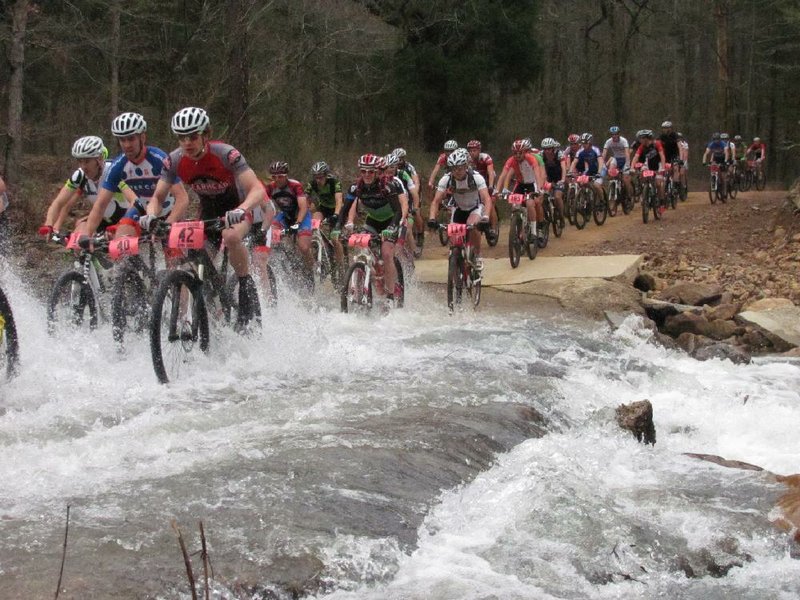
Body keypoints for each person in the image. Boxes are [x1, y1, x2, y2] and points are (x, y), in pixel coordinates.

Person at [140, 107, 270, 329]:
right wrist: (150, 215)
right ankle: (204, 306)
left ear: (205, 135)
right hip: (209, 211)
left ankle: (245, 284)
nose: (187, 142)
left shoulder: (226, 154)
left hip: (239, 206)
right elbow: (158, 196)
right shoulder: (174, 160)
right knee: (194, 260)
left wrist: (242, 209)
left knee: (230, 236)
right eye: (182, 137)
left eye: (192, 136)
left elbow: (256, 189)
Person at [83, 112, 188, 240]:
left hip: (169, 209)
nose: (127, 145)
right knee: (120, 243)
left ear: (142, 138)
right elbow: (100, 205)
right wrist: (87, 237)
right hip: (142, 209)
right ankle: (133, 260)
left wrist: (169, 224)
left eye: (131, 138)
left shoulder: (159, 159)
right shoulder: (118, 165)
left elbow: (182, 198)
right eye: (122, 140)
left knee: (173, 256)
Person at [39, 136, 137, 239]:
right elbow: (58, 203)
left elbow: (134, 201)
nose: (83, 167)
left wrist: (122, 224)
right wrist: (49, 225)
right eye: (80, 162)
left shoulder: (113, 171)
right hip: (105, 221)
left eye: (87, 161)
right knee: (79, 234)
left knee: (120, 244)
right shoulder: (80, 176)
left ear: (99, 159)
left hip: (128, 220)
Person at [344, 153, 408, 309]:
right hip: (373, 221)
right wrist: (350, 222)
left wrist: (399, 223)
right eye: (363, 171)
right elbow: (352, 205)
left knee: (387, 253)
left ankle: (391, 296)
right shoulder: (359, 186)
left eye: (371, 171)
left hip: (392, 220)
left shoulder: (392, 183)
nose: (367, 175)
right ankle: (364, 276)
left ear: (379, 172)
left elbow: (402, 206)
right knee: (360, 248)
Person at [427, 148, 493, 268]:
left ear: (466, 166)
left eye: (460, 167)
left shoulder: (476, 178)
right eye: (454, 168)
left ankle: (477, 255)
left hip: (475, 208)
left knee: (472, 226)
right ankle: (456, 266)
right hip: (459, 209)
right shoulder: (446, 179)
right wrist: (432, 218)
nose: (457, 171)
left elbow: (487, 199)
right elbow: (436, 201)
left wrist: (486, 217)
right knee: (454, 241)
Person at [268, 160, 314, 290]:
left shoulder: (295, 185)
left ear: (286, 175)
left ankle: (310, 270)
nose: (277, 179)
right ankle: (283, 256)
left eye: (280, 176)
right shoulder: (271, 187)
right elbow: (262, 203)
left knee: (304, 247)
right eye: (274, 177)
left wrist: (297, 224)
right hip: (285, 215)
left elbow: (303, 206)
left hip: (301, 215)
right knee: (271, 233)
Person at [495, 139, 546, 241]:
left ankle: (534, 232)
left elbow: (537, 174)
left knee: (530, 204)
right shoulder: (511, 160)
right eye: (515, 153)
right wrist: (498, 190)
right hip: (520, 185)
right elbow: (503, 176)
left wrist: (540, 189)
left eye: (520, 153)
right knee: (515, 205)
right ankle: (518, 225)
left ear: (525, 152)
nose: (518, 155)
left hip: (532, 184)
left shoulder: (531, 158)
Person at [306, 161, 345, 274]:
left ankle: (341, 266)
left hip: (337, 209)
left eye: (321, 177)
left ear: (326, 175)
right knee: (314, 222)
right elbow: (305, 198)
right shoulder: (312, 184)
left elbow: (339, 200)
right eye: (316, 177)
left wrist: (336, 214)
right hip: (323, 208)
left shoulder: (334, 182)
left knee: (334, 238)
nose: (318, 180)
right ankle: (319, 246)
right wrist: (306, 208)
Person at [393, 147, 425, 253]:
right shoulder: (389, 169)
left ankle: (420, 233)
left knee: (416, 213)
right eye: (396, 159)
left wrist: (414, 193)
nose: (398, 162)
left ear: (403, 159)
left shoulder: (408, 167)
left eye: (400, 159)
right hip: (399, 195)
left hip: (410, 193)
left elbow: (416, 181)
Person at [466, 139, 498, 242]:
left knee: (490, 203)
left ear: (479, 150)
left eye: (474, 150)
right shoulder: (467, 160)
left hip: (489, 182)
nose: (472, 153)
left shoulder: (485, 158)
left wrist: (491, 186)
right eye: (470, 150)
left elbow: (491, 172)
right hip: (476, 186)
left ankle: (493, 228)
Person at [632, 129, 668, 205]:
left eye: (641, 138)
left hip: (658, 164)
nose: (640, 140)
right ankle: (645, 192)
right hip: (648, 164)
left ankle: (661, 201)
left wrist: (663, 168)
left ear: (646, 138)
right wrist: (632, 167)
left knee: (658, 184)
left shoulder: (657, 144)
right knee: (641, 174)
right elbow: (636, 157)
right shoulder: (642, 146)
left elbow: (662, 156)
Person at [568, 133, 605, 205]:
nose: (583, 144)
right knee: (581, 182)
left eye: (585, 143)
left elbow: (600, 161)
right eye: (582, 143)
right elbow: (574, 162)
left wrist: (599, 172)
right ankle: (588, 198)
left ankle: (602, 201)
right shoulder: (580, 151)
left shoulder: (595, 150)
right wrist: (570, 172)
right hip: (590, 170)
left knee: (596, 185)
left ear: (590, 143)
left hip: (600, 169)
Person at [539, 137, 566, 226]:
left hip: (558, 178)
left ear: (553, 148)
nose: (547, 151)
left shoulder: (559, 154)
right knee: (541, 196)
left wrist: (562, 179)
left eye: (549, 148)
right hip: (547, 178)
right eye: (545, 149)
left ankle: (561, 217)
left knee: (557, 197)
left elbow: (563, 167)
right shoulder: (541, 155)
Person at [602, 126, 633, 200]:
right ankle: (614, 187)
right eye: (612, 134)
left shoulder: (623, 141)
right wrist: (602, 163)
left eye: (616, 134)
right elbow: (604, 154)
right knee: (611, 173)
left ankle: (629, 194)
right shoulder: (608, 141)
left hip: (625, 159)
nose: (614, 136)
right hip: (616, 159)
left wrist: (628, 164)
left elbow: (627, 153)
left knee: (625, 179)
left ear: (619, 134)